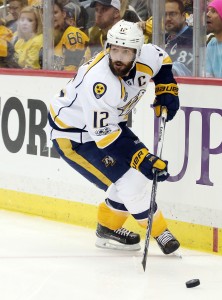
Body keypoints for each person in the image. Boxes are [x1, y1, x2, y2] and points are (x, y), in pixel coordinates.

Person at [48, 20, 180, 254]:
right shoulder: (99, 81)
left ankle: (108, 227)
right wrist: (142, 158)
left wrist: (165, 87)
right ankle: (160, 232)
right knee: (130, 180)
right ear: (108, 46)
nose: (118, 57)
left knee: (134, 176)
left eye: (126, 52)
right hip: (74, 136)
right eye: (115, 49)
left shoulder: (146, 57)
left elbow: (162, 59)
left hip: (107, 126)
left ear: (137, 52)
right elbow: (105, 137)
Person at [53, 0, 89, 71]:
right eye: (46, 14)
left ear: (63, 14)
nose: (51, 16)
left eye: (55, 12)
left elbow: (71, 73)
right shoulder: (47, 36)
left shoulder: (72, 34)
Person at [165, 0, 193, 76]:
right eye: (164, 14)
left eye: (172, 14)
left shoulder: (193, 38)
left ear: (183, 16)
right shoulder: (162, 39)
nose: (167, 18)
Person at [206, 0, 222, 78]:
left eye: (213, 11)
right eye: (208, 11)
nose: (207, 14)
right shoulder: (211, 44)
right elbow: (209, 76)